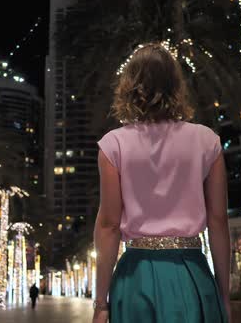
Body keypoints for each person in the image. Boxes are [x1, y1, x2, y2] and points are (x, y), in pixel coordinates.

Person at [92, 43, 231, 323]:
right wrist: (224, 295)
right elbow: (218, 221)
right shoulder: (207, 141)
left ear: (130, 85)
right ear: (175, 85)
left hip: (136, 277)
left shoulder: (113, 145)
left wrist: (100, 304)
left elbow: (108, 226)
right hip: (193, 275)